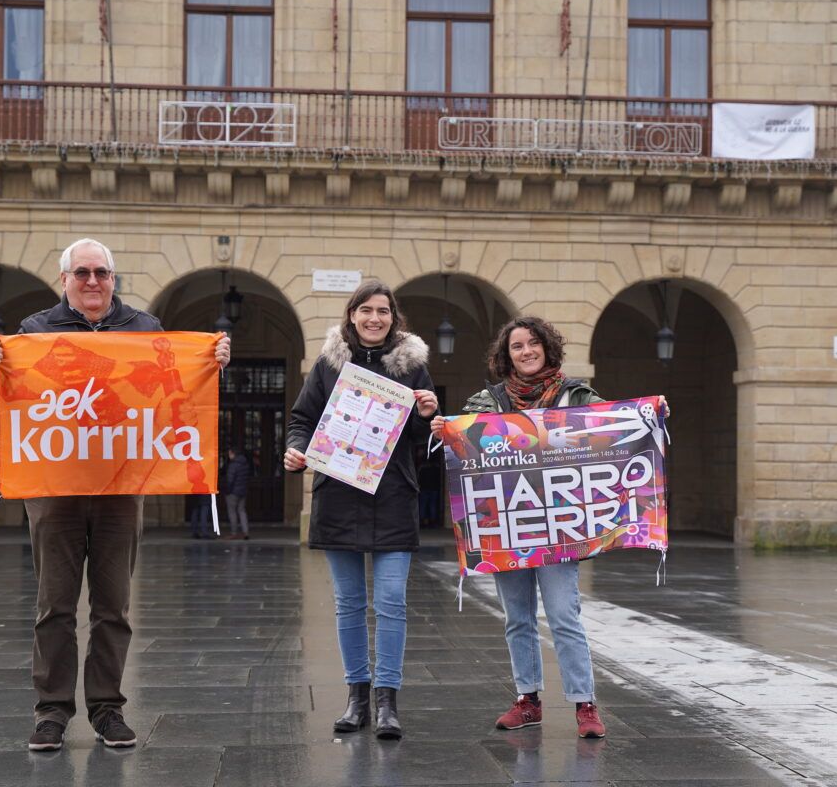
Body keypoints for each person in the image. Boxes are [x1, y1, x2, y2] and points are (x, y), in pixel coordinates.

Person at [0, 238, 231, 752]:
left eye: (102, 273)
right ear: (64, 280)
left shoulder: (144, 327)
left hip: (121, 486)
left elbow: (171, 389)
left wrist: (210, 364)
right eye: (82, 273)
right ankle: (51, 713)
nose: (92, 282)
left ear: (114, 279)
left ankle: (107, 709)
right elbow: (3, 392)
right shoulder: (36, 330)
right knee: (55, 606)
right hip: (55, 487)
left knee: (113, 605)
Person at [430, 316, 666, 740]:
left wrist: (649, 415)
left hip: (561, 526)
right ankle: (528, 700)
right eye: (517, 346)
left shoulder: (577, 395)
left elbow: (612, 431)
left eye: (533, 344)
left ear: (547, 348)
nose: (526, 352)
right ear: (507, 356)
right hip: (506, 525)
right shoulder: (487, 401)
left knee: (563, 615)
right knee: (517, 618)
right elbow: (464, 441)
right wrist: (444, 429)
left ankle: (585, 703)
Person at [284, 280, 438, 740]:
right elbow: (301, 420)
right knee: (349, 604)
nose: (375, 318)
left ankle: (388, 702)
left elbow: (424, 444)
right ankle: (357, 699)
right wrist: (295, 451)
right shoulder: (329, 365)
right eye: (366, 310)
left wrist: (428, 415)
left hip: (392, 497)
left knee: (391, 602)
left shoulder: (413, 369)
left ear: (394, 318)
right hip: (339, 496)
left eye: (383, 311)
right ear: (352, 315)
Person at [223, 447, 251, 539]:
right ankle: (245, 532)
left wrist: (227, 490)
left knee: (232, 512)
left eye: (229, 453)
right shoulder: (245, 464)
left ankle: (234, 532)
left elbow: (230, 480)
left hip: (233, 492)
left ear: (233, 454)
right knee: (242, 511)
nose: (229, 455)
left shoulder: (233, 465)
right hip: (243, 491)